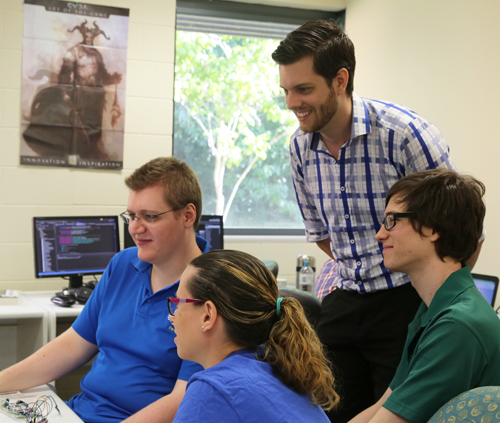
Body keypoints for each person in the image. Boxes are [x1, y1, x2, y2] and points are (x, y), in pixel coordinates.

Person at [271, 19, 482, 423]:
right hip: (348, 297)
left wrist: (437, 305)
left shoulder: (405, 135)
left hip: (406, 298)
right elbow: (323, 235)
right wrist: (358, 270)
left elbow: (463, 234)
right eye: (286, 90)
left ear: (339, 80)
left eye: (303, 89)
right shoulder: (300, 147)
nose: (291, 103)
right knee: (325, 410)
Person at [0, 157, 208, 423]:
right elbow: (71, 346)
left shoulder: (210, 289)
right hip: (77, 412)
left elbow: (183, 399)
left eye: (149, 217)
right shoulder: (122, 265)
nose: (135, 227)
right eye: (132, 215)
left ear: (187, 215)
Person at [350, 168, 500, 423]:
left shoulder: (457, 326)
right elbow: (385, 404)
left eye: (391, 221)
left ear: (432, 227)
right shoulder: (434, 310)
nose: (380, 234)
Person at [169, 249, 340, 423]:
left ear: (207, 315)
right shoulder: (278, 365)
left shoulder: (212, 391)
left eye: (178, 304)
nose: (172, 317)